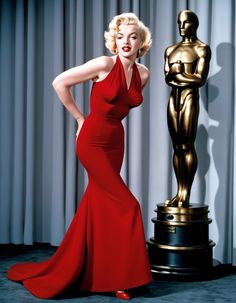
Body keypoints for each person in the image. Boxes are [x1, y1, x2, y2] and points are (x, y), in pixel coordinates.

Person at [7, 13, 153, 300]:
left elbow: (125, 103)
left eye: (132, 36)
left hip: (115, 142)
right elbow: (59, 82)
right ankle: (123, 278)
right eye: (121, 36)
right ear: (114, 39)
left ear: (141, 42)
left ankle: (96, 273)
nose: (126, 41)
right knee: (128, 206)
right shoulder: (103, 64)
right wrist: (79, 119)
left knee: (98, 208)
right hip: (93, 141)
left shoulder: (143, 74)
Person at [164, 10, 211, 207]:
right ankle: (178, 192)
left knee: (186, 145)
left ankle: (186, 193)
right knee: (176, 146)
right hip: (173, 99)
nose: (181, 27)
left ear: (195, 24)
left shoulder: (202, 49)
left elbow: (199, 79)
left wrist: (178, 73)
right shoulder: (170, 50)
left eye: (185, 23)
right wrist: (181, 75)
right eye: (179, 23)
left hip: (190, 98)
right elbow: (167, 77)